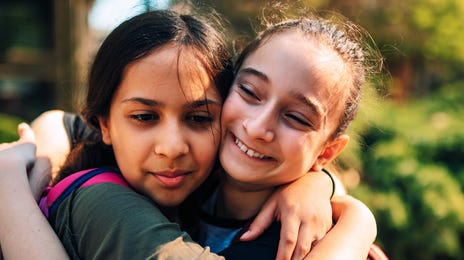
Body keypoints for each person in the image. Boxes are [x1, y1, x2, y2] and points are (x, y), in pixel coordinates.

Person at [0, 8, 379, 260]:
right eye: (249, 92)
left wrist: (345, 209)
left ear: (327, 152)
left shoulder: (301, 236)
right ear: (105, 123)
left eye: (198, 118)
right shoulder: (106, 201)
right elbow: (64, 123)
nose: (172, 147)